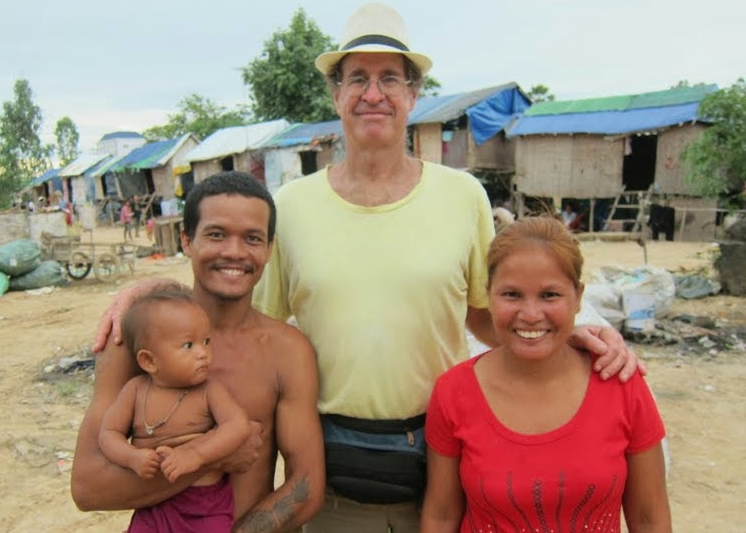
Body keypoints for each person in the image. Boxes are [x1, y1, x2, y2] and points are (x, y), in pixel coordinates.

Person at [93, 5, 640, 532]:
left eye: (389, 79)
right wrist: (155, 290)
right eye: (357, 78)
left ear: (413, 92)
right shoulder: (295, 204)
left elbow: (487, 315)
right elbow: (239, 314)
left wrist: (570, 339)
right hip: (332, 478)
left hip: (445, 462)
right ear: (336, 94)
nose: (372, 94)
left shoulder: (462, 195)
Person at [71, 171, 325, 533]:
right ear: (187, 240)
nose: (234, 252)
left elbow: (306, 487)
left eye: (252, 238)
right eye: (216, 234)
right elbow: (87, 486)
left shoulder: (287, 352)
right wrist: (212, 459)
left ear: (269, 250)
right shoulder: (135, 340)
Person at [421, 217, 671, 532]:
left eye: (549, 295)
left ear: (578, 297)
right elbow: (442, 515)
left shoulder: (621, 383)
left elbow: (649, 518)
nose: (530, 314)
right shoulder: (454, 392)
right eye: (511, 294)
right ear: (488, 295)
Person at [100, 286, 251, 532]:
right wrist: (132, 458)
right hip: (153, 505)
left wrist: (196, 455)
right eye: (188, 346)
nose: (204, 353)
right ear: (149, 361)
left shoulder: (209, 390)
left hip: (206, 506)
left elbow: (237, 425)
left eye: (206, 341)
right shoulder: (135, 391)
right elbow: (108, 434)